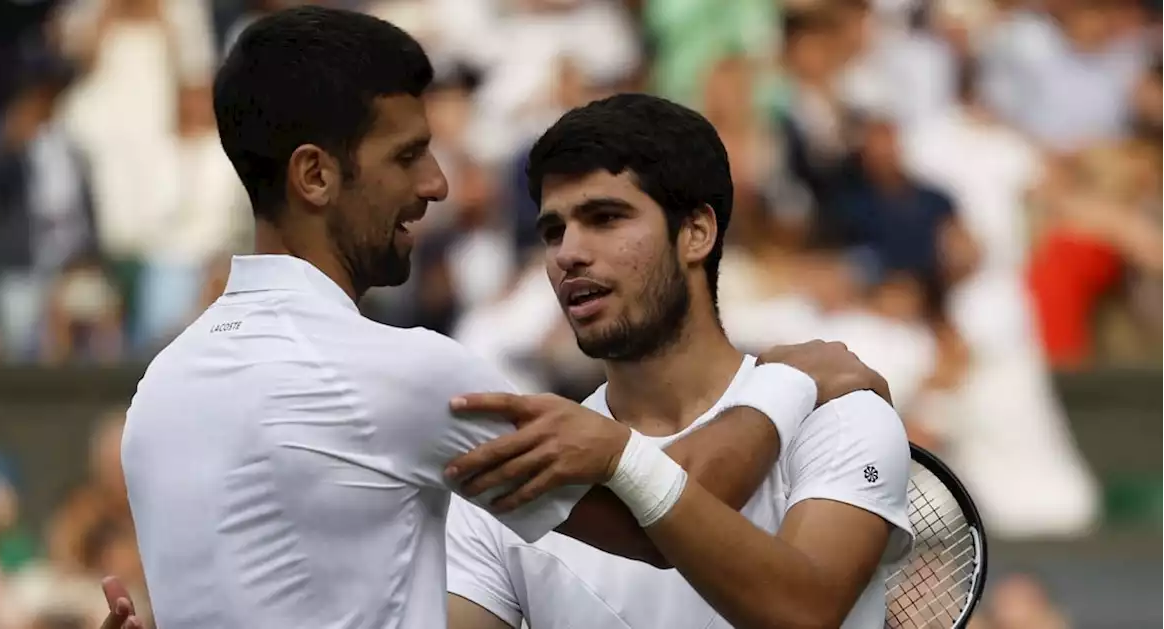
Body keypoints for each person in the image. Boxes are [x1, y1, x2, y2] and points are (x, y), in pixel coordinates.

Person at [101, 7, 892, 629]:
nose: (438, 183)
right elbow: (662, 514)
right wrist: (788, 378)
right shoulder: (402, 379)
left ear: (698, 232)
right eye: (407, 155)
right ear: (315, 175)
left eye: (606, 218)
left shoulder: (160, 388)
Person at [439, 95, 912, 629]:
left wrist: (621, 458)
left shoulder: (841, 418)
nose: (568, 252)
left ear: (696, 233)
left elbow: (801, 613)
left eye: (605, 218)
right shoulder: (523, 472)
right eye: (554, 231)